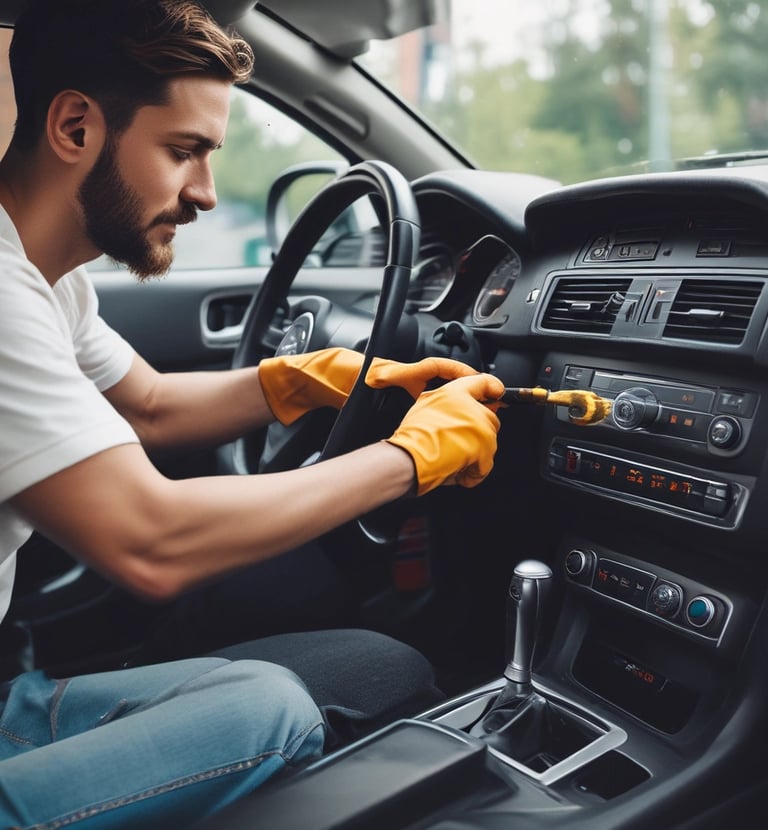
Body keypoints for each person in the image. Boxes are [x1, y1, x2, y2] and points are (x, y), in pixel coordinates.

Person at [0, 0, 505, 826]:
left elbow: (154, 406)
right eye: (183, 151)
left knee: (289, 685)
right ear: (75, 126)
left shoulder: (47, 275)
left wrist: (307, 377)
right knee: (272, 709)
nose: (202, 192)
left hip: (7, 691)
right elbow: (150, 540)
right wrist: (411, 458)